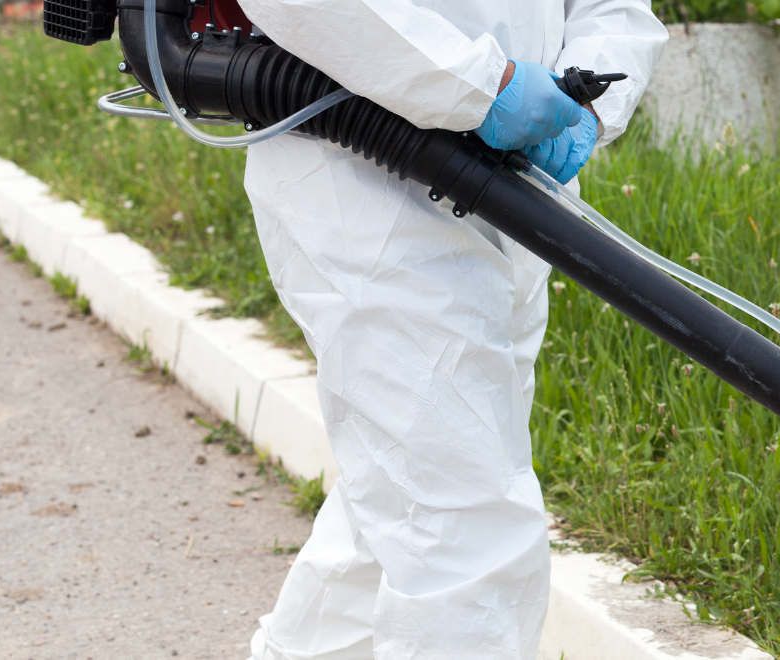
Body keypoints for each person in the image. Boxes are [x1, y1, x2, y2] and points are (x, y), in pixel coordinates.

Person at [233, 1, 667, 658]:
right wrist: (479, 86)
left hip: (521, 187)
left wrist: (588, 97)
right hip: (362, 182)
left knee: (394, 505)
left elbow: (616, 8)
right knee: (465, 531)